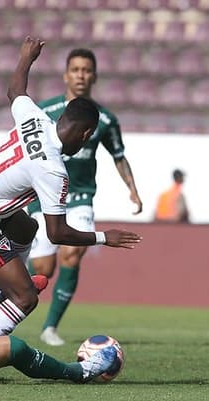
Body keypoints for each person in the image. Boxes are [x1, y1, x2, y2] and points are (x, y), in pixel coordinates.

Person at [0, 37, 143, 340]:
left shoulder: (35, 117)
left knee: (26, 227)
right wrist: (105, 237)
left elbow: (15, 90)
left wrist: (26, 57)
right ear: (87, 134)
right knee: (26, 299)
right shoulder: (53, 170)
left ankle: (15, 284)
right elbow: (58, 234)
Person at [26, 48, 144, 346]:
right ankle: (16, 296)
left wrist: (131, 188)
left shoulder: (104, 119)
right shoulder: (46, 111)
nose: (81, 75)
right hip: (44, 195)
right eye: (76, 69)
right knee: (44, 268)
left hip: (79, 196)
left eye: (86, 70)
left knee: (72, 253)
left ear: (94, 76)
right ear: (66, 75)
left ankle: (50, 327)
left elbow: (119, 155)